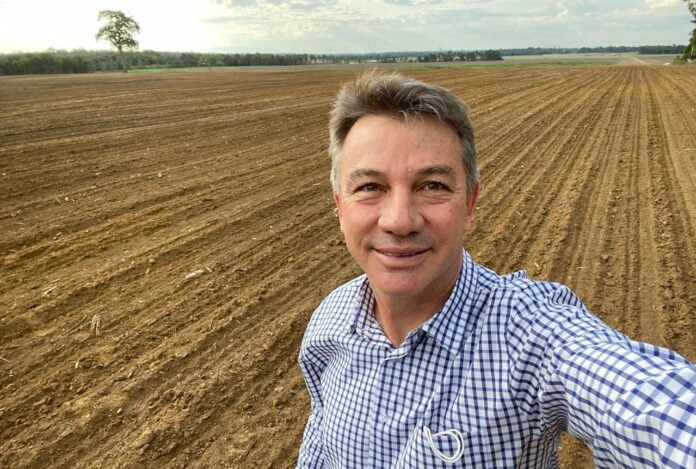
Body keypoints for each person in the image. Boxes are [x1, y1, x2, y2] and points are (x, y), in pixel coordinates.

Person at [296, 71, 696, 468]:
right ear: (339, 204)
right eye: (369, 187)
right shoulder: (329, 322)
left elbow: (650, 405)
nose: (400, 221)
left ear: (469, 202)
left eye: (432, 185)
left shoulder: (529, 335)